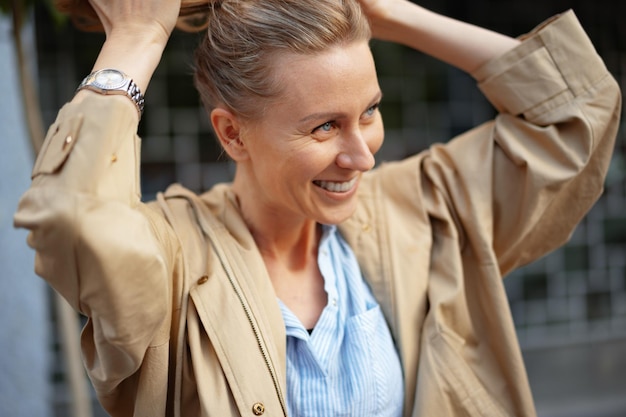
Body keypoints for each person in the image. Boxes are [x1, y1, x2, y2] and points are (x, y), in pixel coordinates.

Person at [14, 0, 620, 415]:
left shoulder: (417, 213)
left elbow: (575, 117)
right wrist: (137, 36)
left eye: (370, 113)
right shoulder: (172, 263)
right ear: (232, 135)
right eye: (326, 127)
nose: (361, 156)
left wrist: (391, 15)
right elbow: (70, 216)